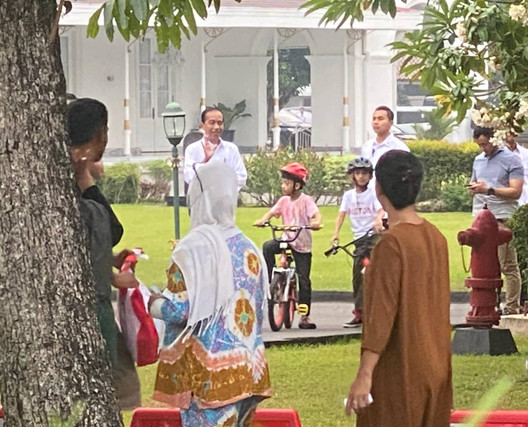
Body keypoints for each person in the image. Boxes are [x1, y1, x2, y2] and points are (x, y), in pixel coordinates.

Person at [149, 162, 272, 426]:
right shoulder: (249, 247)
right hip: (249, 369)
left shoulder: (194, 248)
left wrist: (153, 303)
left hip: (207, 375)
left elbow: (179, 310)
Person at [346, 150, 452, 426]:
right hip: (436, 364)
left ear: (378, 187)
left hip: (400, 367)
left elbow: (381, 316)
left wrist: (365, 374)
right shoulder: (436, 237)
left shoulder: (391, 245)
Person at [67, 98, 141, 411]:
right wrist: (112, 275)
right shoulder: (78, 182)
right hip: (88, 312)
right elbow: (106, 227)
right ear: (98, 134)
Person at [253, 162, 322, 329]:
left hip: (301, 244)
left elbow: (316, 215)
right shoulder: (283, 201)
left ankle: (304, 316)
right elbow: (271, 213)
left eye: (287, 183)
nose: (283, 186)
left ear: (297, 185)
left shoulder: (306, 200)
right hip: (286, 239)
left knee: (303, 279)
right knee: (268, 246)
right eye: (283, 182)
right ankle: (271, 278)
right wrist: (263, 220)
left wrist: (316, 222)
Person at [468, 126, 524, 315]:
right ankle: (489, 304)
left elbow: (516, 191)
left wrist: (489, 189)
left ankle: (511, 306)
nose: (483, 148)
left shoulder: (511, 159)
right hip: (481, 217)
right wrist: (474, 189)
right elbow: (476, 183)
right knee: (483, 264)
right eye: (479, 145)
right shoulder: (478, 160)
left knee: (507, 264)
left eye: (485, 143)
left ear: (494, 138)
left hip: (502, 217)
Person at [331, 157, 384, 328]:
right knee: (357, 276)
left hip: (373, 236)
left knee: (375, 268)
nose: (361, 177)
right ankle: (359, 312)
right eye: (358, 173)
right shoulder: (348, 196)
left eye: (365, 173)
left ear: (370, 176)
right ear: (352, 176)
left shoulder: (373, 193)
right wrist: (335, 234)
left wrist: (378, 219)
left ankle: (381, 309)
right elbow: (341, 215)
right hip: (359, 239)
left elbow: (381, 209)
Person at [184, 106, 247, 189]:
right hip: (202, 200)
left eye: (220, 123)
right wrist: (205, 160)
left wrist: (221, 185)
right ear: (202, 125)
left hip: (226, 199)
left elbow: (241, 177)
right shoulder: (192, 149)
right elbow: (189, 178)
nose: (216, 127)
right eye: (212, 122)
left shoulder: (231, 149)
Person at [505, 131, 528, 205]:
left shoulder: (527, 155)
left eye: (512, 130)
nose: (510, 134)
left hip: (523, 205)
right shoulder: (495, 155)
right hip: (502, 209)